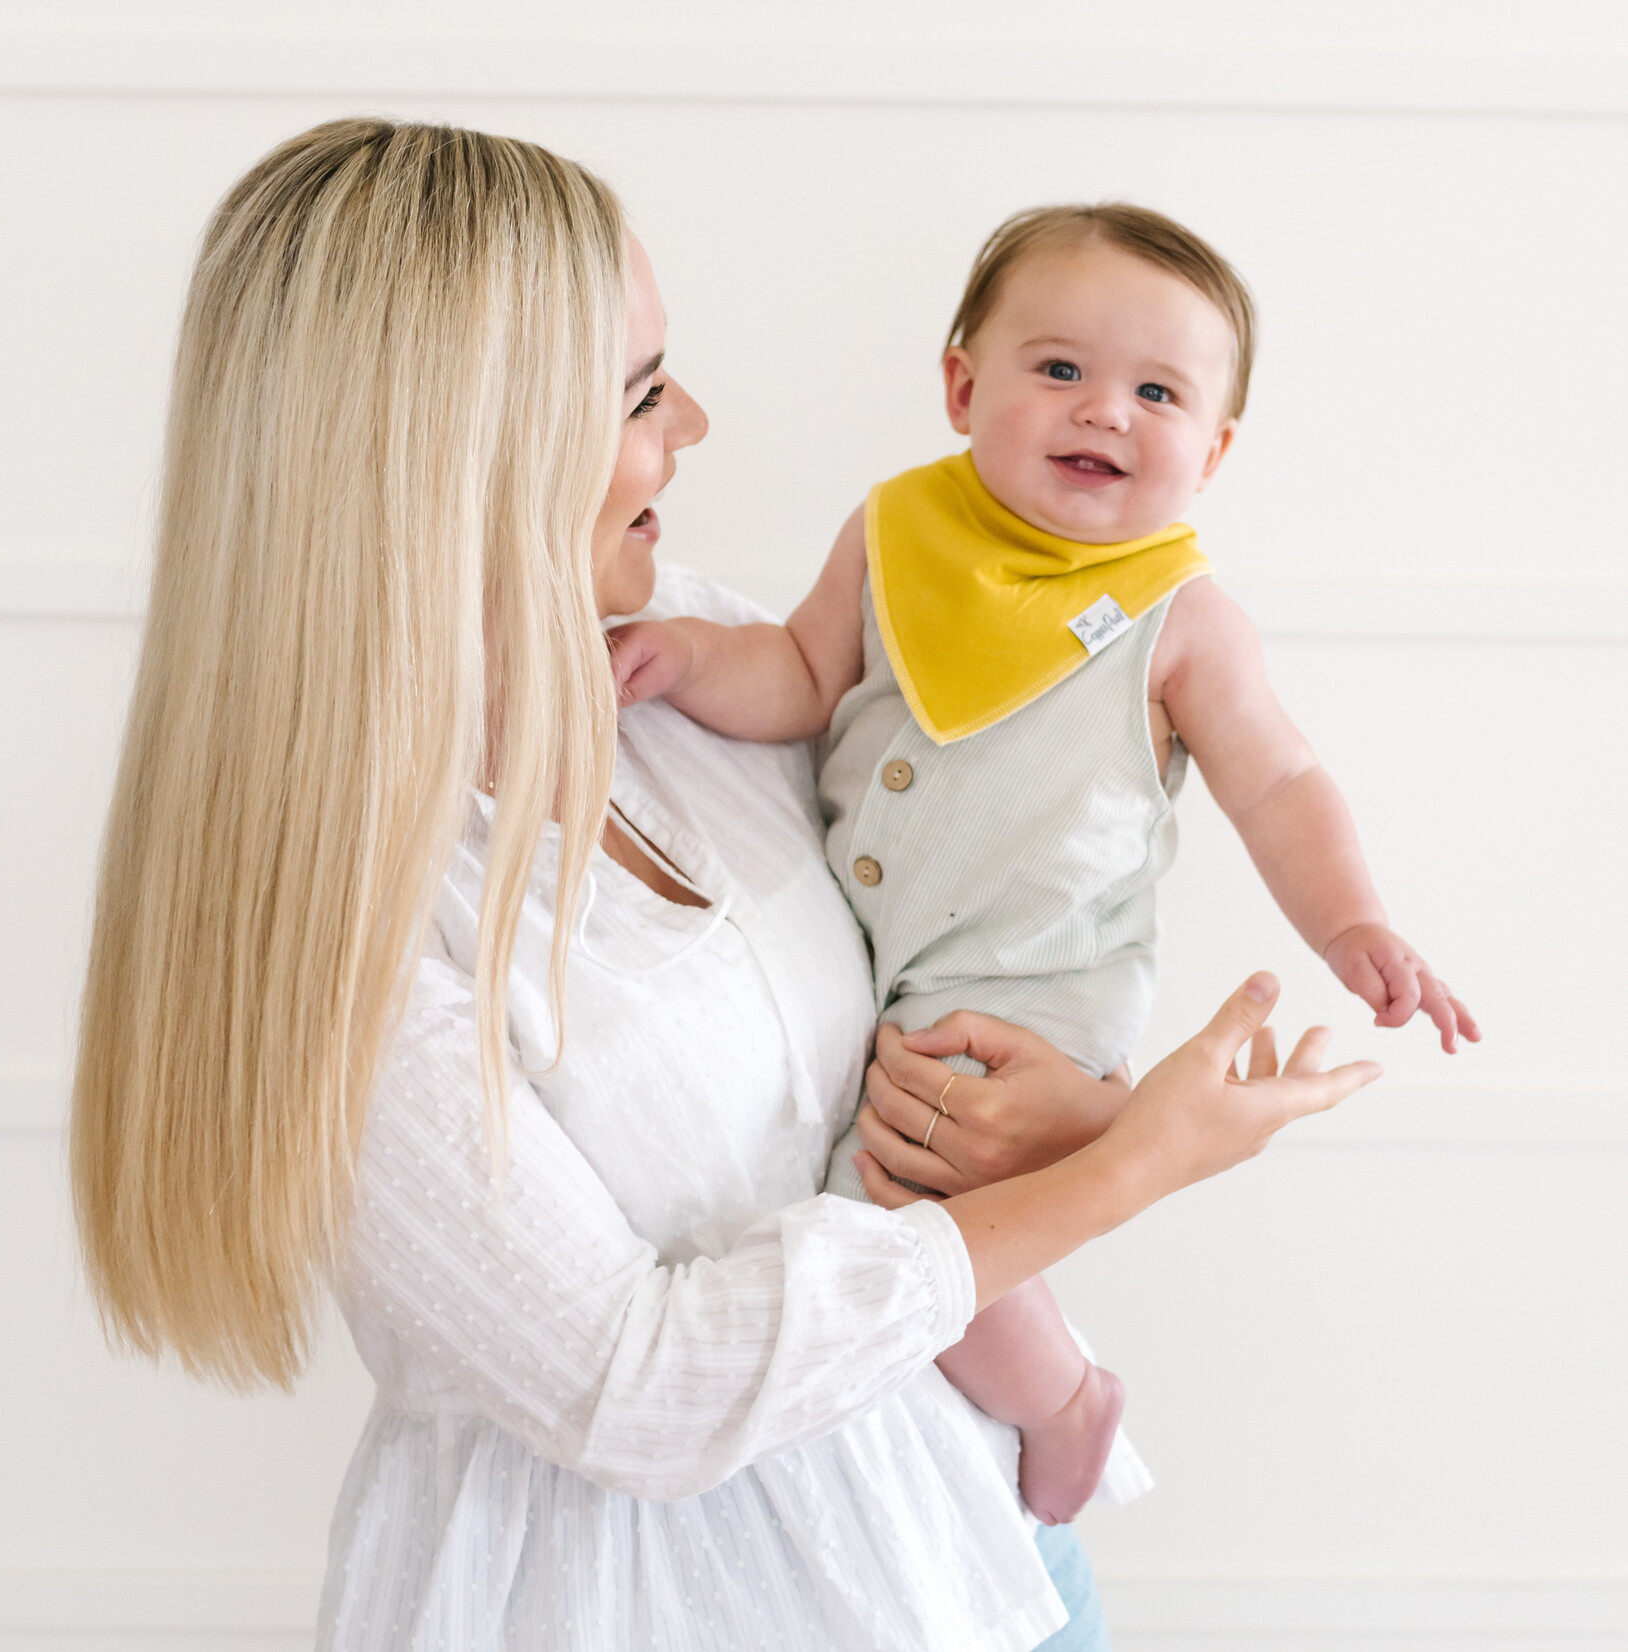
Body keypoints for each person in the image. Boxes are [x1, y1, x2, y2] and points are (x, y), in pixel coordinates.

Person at [69, 120, 1378, 1652]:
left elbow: (932, 946)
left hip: (970, 1549)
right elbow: (639, 1388)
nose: (693, 420)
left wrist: (1060, 1107)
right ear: (463, 449)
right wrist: (1129, 1165)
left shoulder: (679, 660)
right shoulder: (331, 925)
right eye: (637, 392)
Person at [608, 202, 1480, 1524]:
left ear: (1216, 447)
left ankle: (1064, 1401)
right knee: (880, 1206)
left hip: (1028, 994)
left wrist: (1352, 920)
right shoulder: (899, 534)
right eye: (1059, 369)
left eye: (1158, 392)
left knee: (905, 1223)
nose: (1105, 413)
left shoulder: (1182, 621)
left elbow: (1283, 782)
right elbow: (798, 672)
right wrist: (682, 658)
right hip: (872, 968)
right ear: (963, 386)